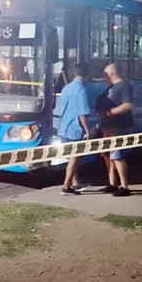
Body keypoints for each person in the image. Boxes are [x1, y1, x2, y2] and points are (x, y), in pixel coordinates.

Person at [94, 63, 134, 196]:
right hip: (108, 127)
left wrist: (109, 113)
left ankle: (125, 186)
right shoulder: (109, 88)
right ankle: (112, 183)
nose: (103, 77)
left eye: (105, 74)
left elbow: (127, 105)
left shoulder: (124, 86)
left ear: (111, 73)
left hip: (120, 126)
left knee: (117, 156)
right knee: (108, 155)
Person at [56, 64, 91, 195]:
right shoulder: (81, 90)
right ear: (87, 74)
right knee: (75, 157)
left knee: (71, 157)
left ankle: (75, 183)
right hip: (75, 128)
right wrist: (87, 130)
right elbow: (82, 113)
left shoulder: (66, 88)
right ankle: (66, 186)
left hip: (64, 127)